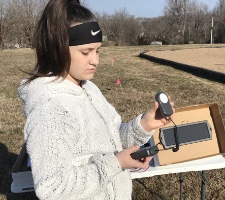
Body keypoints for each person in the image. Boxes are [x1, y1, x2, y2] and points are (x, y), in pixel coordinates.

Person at [18, 0, 175, 199]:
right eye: (85, 52)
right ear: (56, 49)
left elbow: (113, 139)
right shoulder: (50, 109)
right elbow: (52, 188)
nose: (95, 60)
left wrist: (144, 125)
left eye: (97, 50)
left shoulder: (88, 89)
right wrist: (115, 164)